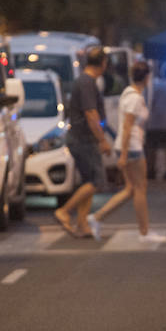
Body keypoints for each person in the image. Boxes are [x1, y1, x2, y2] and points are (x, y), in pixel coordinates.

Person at [86, 61, 166, 243]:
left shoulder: (129, 94)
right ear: (146, 77)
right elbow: (127, 126)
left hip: (129, 146)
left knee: (130, 189)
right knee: (140, 189)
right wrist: (123, 155)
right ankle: (144, 232)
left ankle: (97, 217)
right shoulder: (135, 98)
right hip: (132, 148)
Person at [54, 46, 112, 237]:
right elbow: (90, 113)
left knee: (89, 181)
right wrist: (102, 140)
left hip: (81, 138)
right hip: (83, 139)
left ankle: (82, 223)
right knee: (96, 181)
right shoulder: (87, 82)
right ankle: (65, 211)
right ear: (103, 63)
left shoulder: (85, 81)